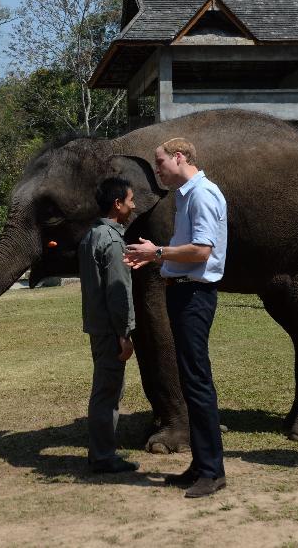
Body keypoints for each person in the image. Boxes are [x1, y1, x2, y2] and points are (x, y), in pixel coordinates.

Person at [124, 137, 228, 499]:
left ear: (179, 157)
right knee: (191, 380)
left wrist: (159, 251)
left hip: (195, 295)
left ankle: (212, 471)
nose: (157, 171)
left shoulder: (202, 195)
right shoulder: (187, 195)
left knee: (198, 382)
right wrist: (156, 259)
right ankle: (201, 465)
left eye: (159, 163)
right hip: (183, 291)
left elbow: (201, 251)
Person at [78, 177, 139, 474]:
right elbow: (118, 292)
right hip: (110, 331)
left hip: (96, 326)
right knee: (107, 392)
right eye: (130, 200)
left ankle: (100, 452)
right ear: (117, 204)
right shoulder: (114, 241)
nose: (134, 205)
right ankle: (103, 456)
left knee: (105, 389)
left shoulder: (92, 235)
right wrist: (124, 334)